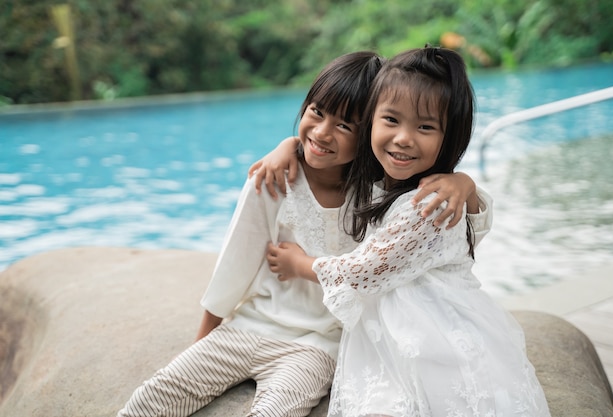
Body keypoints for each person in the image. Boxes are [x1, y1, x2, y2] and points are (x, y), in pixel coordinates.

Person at [117, 51, 489, 417]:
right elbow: (234, 264)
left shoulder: (382, 191)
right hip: (249, 327)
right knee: (150, 400)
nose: (323, 132)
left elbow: (449, 234)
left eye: (346, 125)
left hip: (319, 346)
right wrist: (200, 345)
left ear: (369, 131)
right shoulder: (273, 178)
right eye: (316, 112)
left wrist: (464, 181)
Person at [266, 47, 551, 417]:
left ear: (450, 137)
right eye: (391, 120)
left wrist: (299, 263)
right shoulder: (380, 181)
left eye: (425, 127)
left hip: (434, 337)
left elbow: (361, 271)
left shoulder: (428, 204)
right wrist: (288, 145)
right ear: (370, 121)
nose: (403, 138)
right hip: (393, 329)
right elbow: (325, 146)